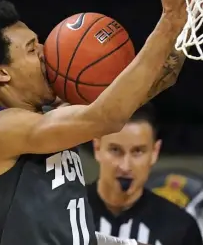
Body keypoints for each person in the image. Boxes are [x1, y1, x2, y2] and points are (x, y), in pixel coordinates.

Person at [0, 0, 203, 244]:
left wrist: (190, 0)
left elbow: (161, 78)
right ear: (0, 72)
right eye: (31, 49)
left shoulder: (50, 114)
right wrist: (168, 23)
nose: (44, 51)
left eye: (38, 42)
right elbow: (107, 116)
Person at [87, 104, 203, 245]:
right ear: (97, 148)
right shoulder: (64, 212)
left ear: (155, 152)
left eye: (138, 151)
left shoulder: (181, 228)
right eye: (115, 150)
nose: (125, 166)